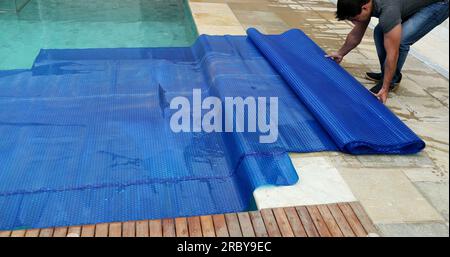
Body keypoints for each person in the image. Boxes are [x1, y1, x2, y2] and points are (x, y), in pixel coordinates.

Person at [327, 0, 449, 103]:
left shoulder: (388, 10)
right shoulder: (362, 3)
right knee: (379, 32)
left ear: (365, 7)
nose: (355, 22)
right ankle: (388, 75)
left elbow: (393, 53)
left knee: (400, 40)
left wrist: (385, 88)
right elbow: (356, 34)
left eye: (355, 19)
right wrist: (340, 53)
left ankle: (390, 81)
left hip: (440, 3)